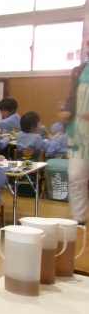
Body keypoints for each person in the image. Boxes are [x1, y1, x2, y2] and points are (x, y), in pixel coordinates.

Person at [58, 54, 89, 223]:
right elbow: (73, 97)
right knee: (76, 177)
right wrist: (67, 111)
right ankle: (79, 220)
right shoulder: (84, 69)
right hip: (79, 136)